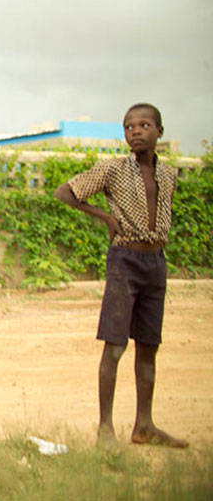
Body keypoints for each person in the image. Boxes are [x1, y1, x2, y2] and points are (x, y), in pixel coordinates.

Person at [54, 103, 188, 449]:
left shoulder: (168, 174)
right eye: (129, 127)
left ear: (160, 130)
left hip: (155, 263)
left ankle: (145, 426)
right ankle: (105, 430)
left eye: (144, 125)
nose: (136, 132)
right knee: (115, 346)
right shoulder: (112, 169)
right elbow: (64, 192)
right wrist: (106, 218)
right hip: (124, 261)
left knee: (149, 347)